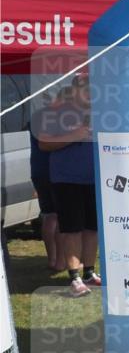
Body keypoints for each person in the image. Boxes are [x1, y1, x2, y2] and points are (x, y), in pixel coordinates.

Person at [36, 77, 101, 297]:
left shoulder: (101, 112)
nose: (89, 93)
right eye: (85, 88)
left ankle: (89, 273)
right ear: (74, 90)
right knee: (71, 229)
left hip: (94, 179)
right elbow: (44, 143)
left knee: (92, 228)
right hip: (66, 180)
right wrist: (75, 135)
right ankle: (74, 278)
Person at [30, 94, 65, 272]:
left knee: (49, 215)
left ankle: (52, 259)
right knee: (59, 216)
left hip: (39, 169)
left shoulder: (37, 115)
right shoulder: (54, 117)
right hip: (53, 171)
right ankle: (60, 261)